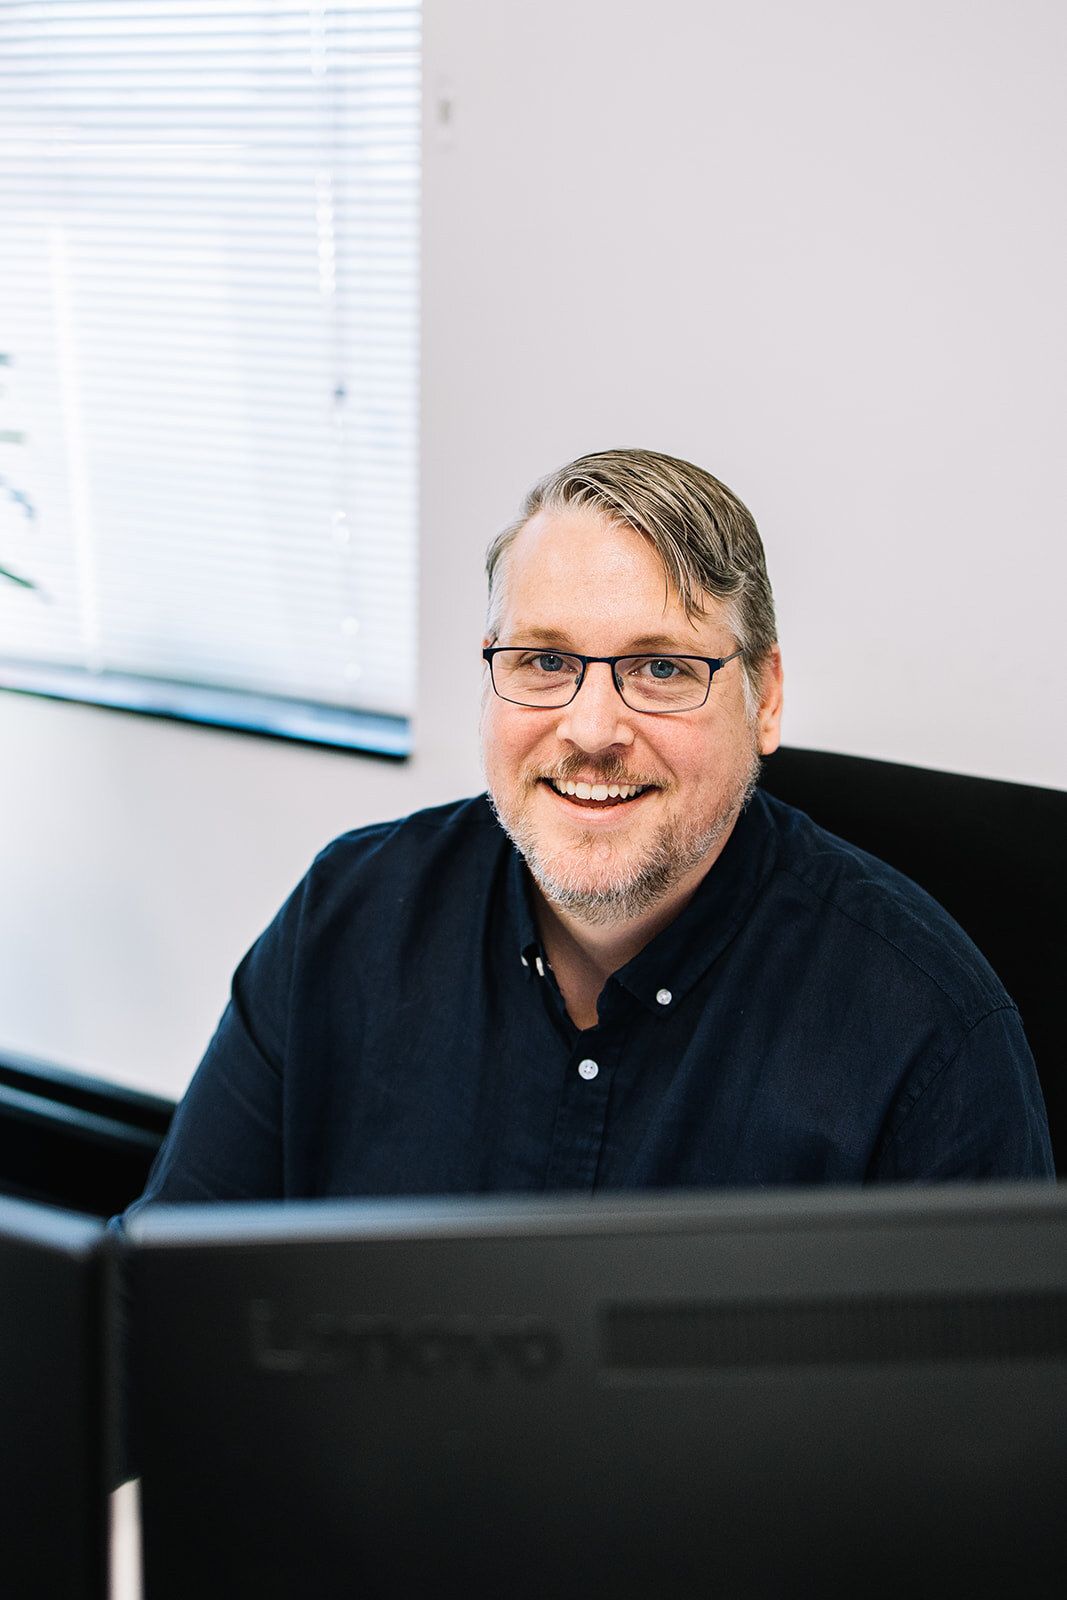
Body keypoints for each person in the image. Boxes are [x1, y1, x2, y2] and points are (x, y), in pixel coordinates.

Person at [126, 449, 1053, 1210]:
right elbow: (156, 1312)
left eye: (658, 668)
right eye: (542, 660)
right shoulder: (350, 918)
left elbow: (985, 1433)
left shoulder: (927, 1031)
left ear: (762, 699)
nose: (592, 729)